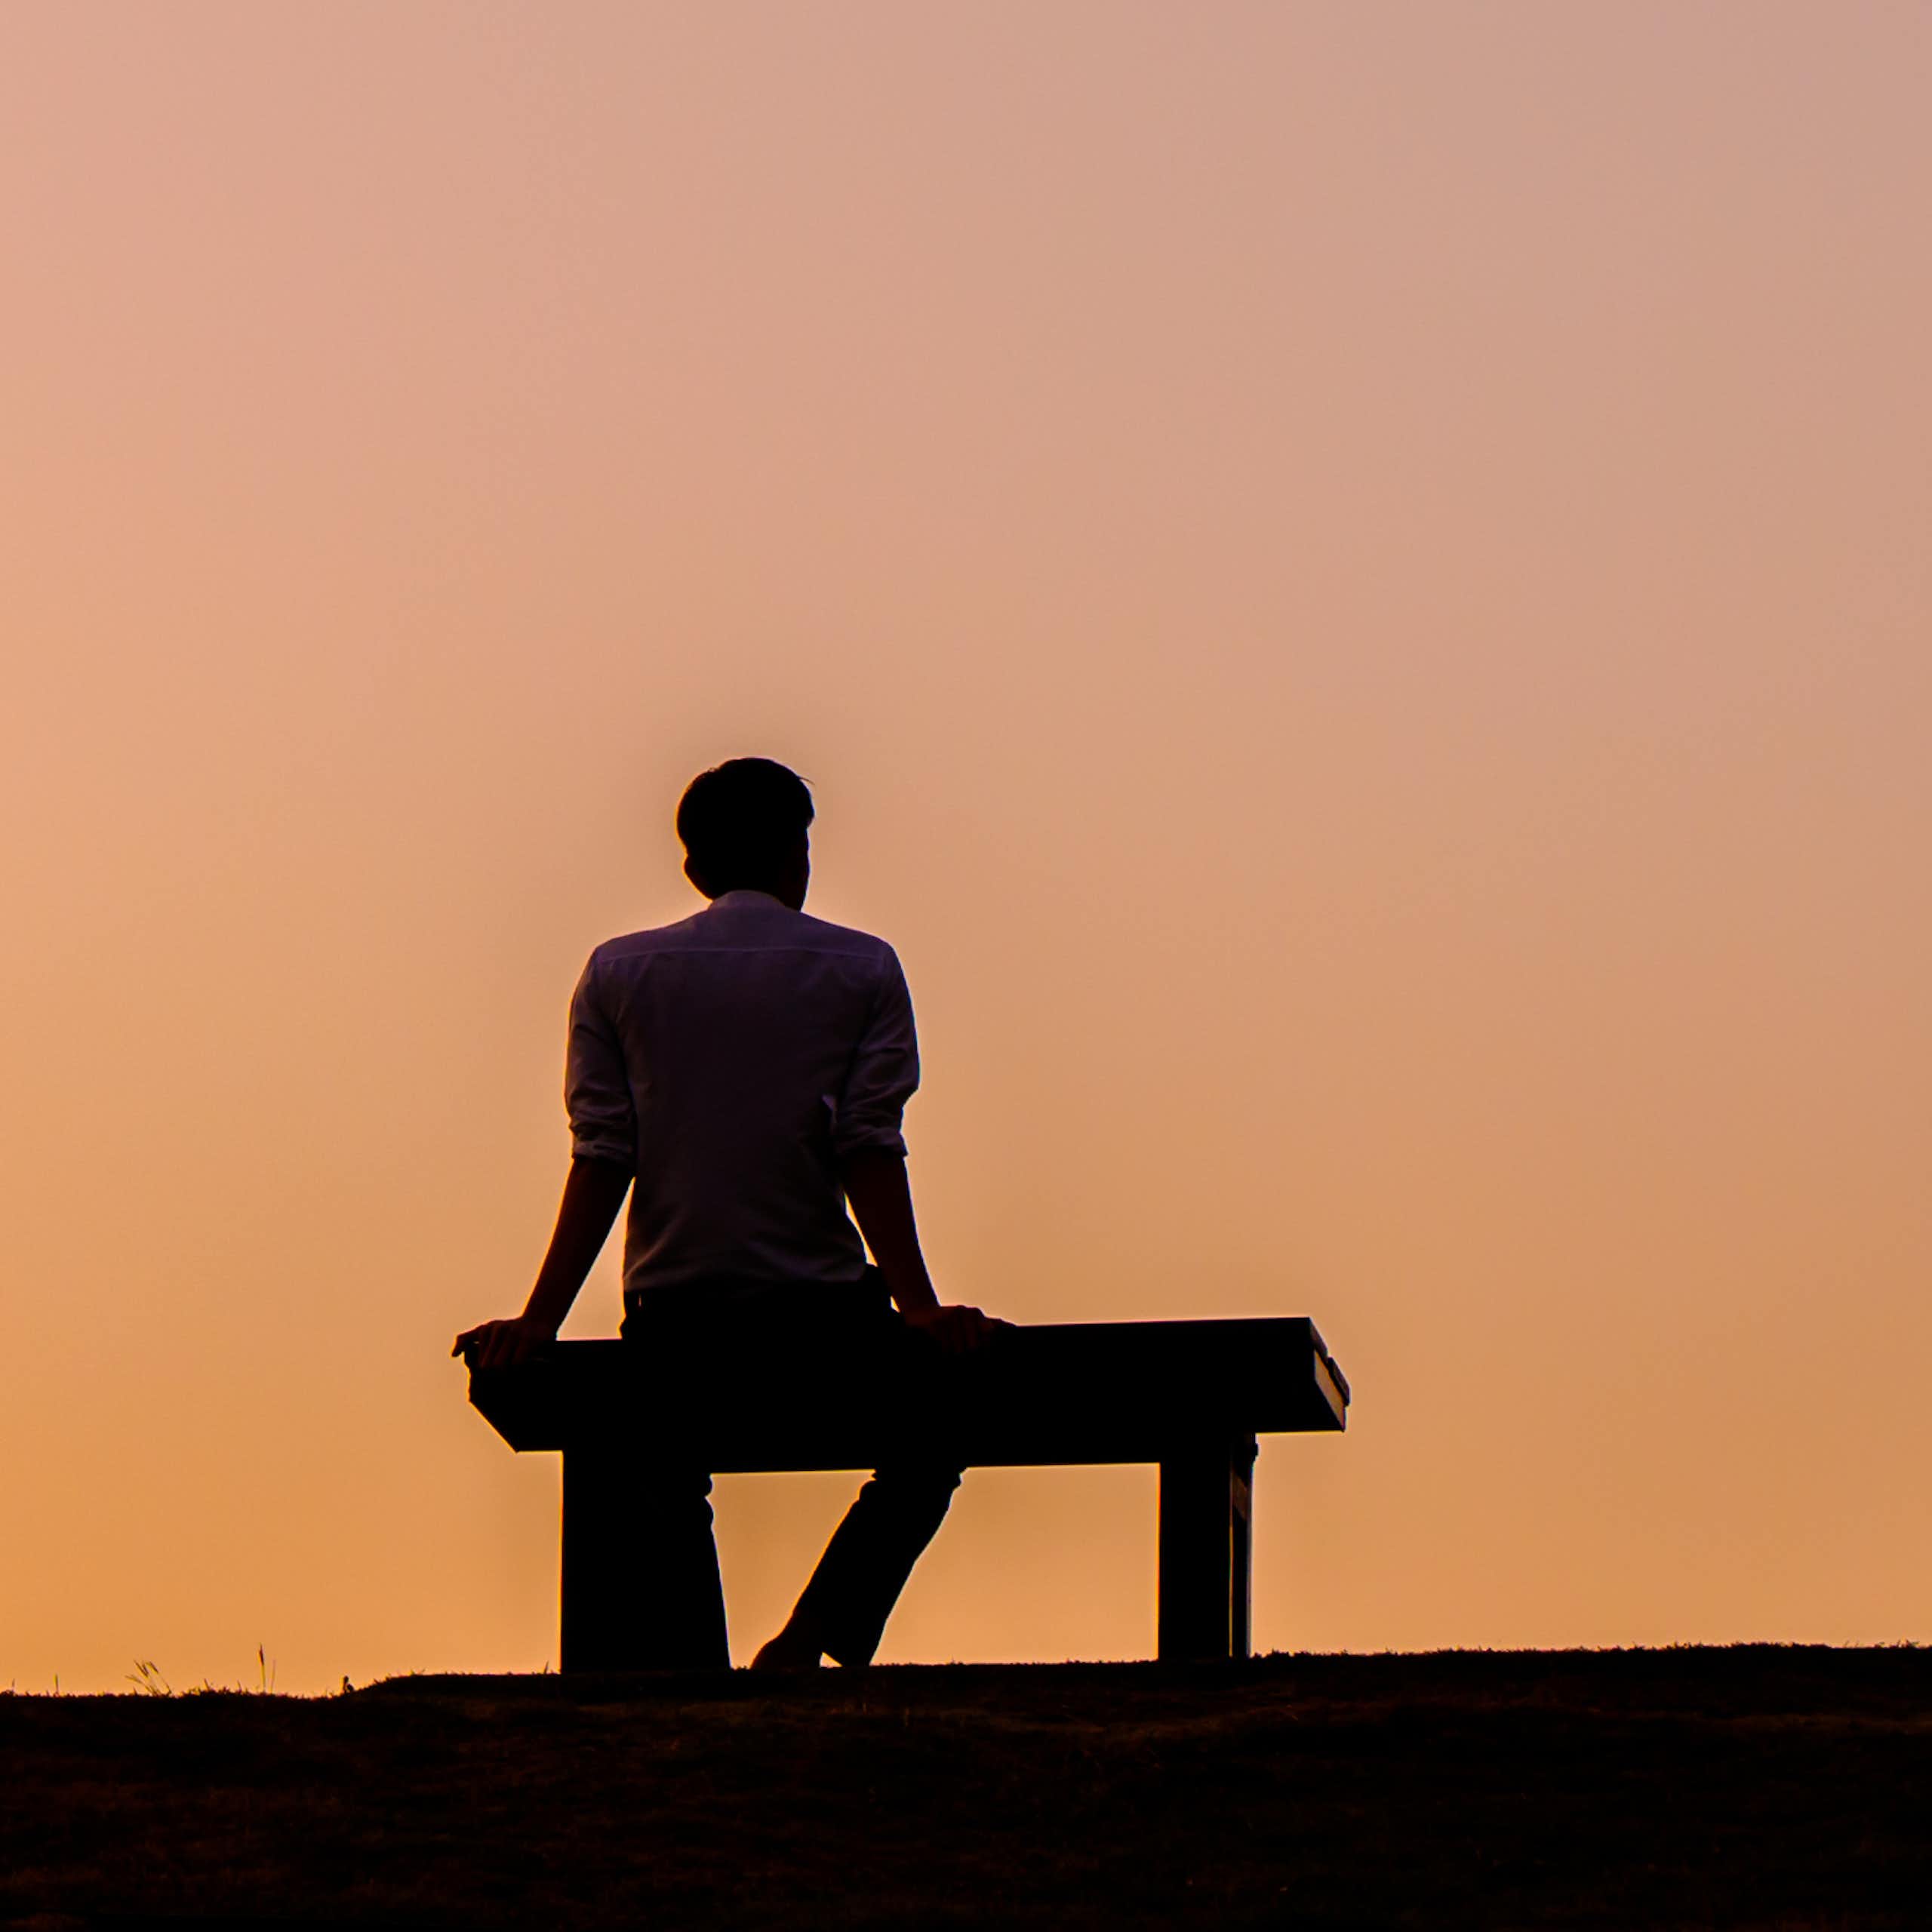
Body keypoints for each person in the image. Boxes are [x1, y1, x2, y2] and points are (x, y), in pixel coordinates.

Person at [454, 757, 1004, 1669]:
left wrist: (538, 1320)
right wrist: (919, 1308)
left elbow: (603, 1156)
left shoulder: (618, 972)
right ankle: (817, 1630)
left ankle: (698, 1674)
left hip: (675, 1316)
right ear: (796, 853)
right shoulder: (861, 966)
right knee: (947, 1424)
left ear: (694, 866)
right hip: (822, 1314)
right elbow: (867, 1146)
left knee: (662, 1474)